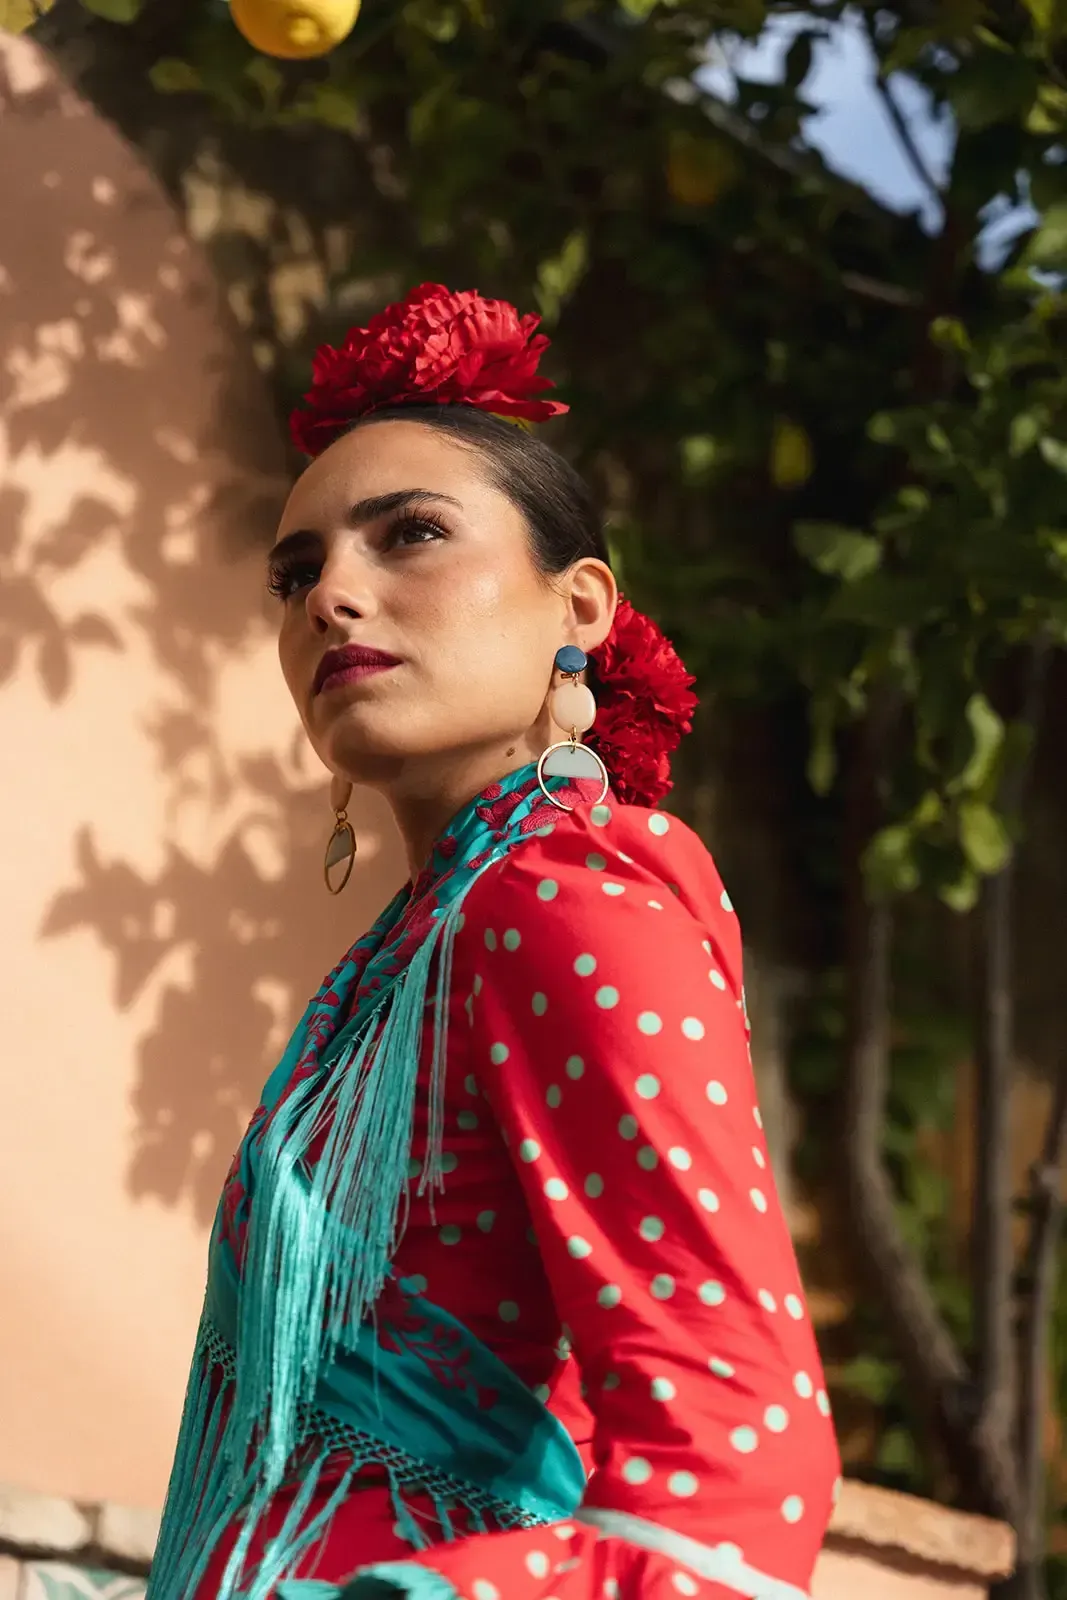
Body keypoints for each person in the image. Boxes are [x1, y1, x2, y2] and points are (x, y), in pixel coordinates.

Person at [146, 284, 840, 1600]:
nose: (330, 597)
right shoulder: (413, 951)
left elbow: (736, 1462)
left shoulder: (567, 891)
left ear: (580, 606)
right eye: (294, 574)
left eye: (410, 533)